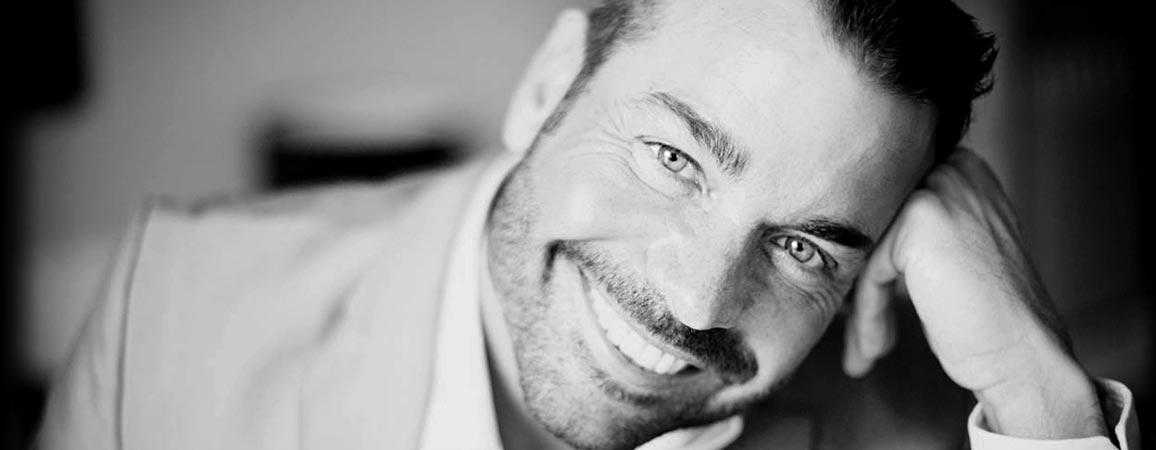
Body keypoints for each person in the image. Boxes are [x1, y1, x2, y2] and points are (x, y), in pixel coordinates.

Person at [36, 0, 1139, 449]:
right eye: (674, 158)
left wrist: (1039, 395)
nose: (700, 299)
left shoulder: (933, 431)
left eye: (804, 246)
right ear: (547, 84)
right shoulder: (168, 314)